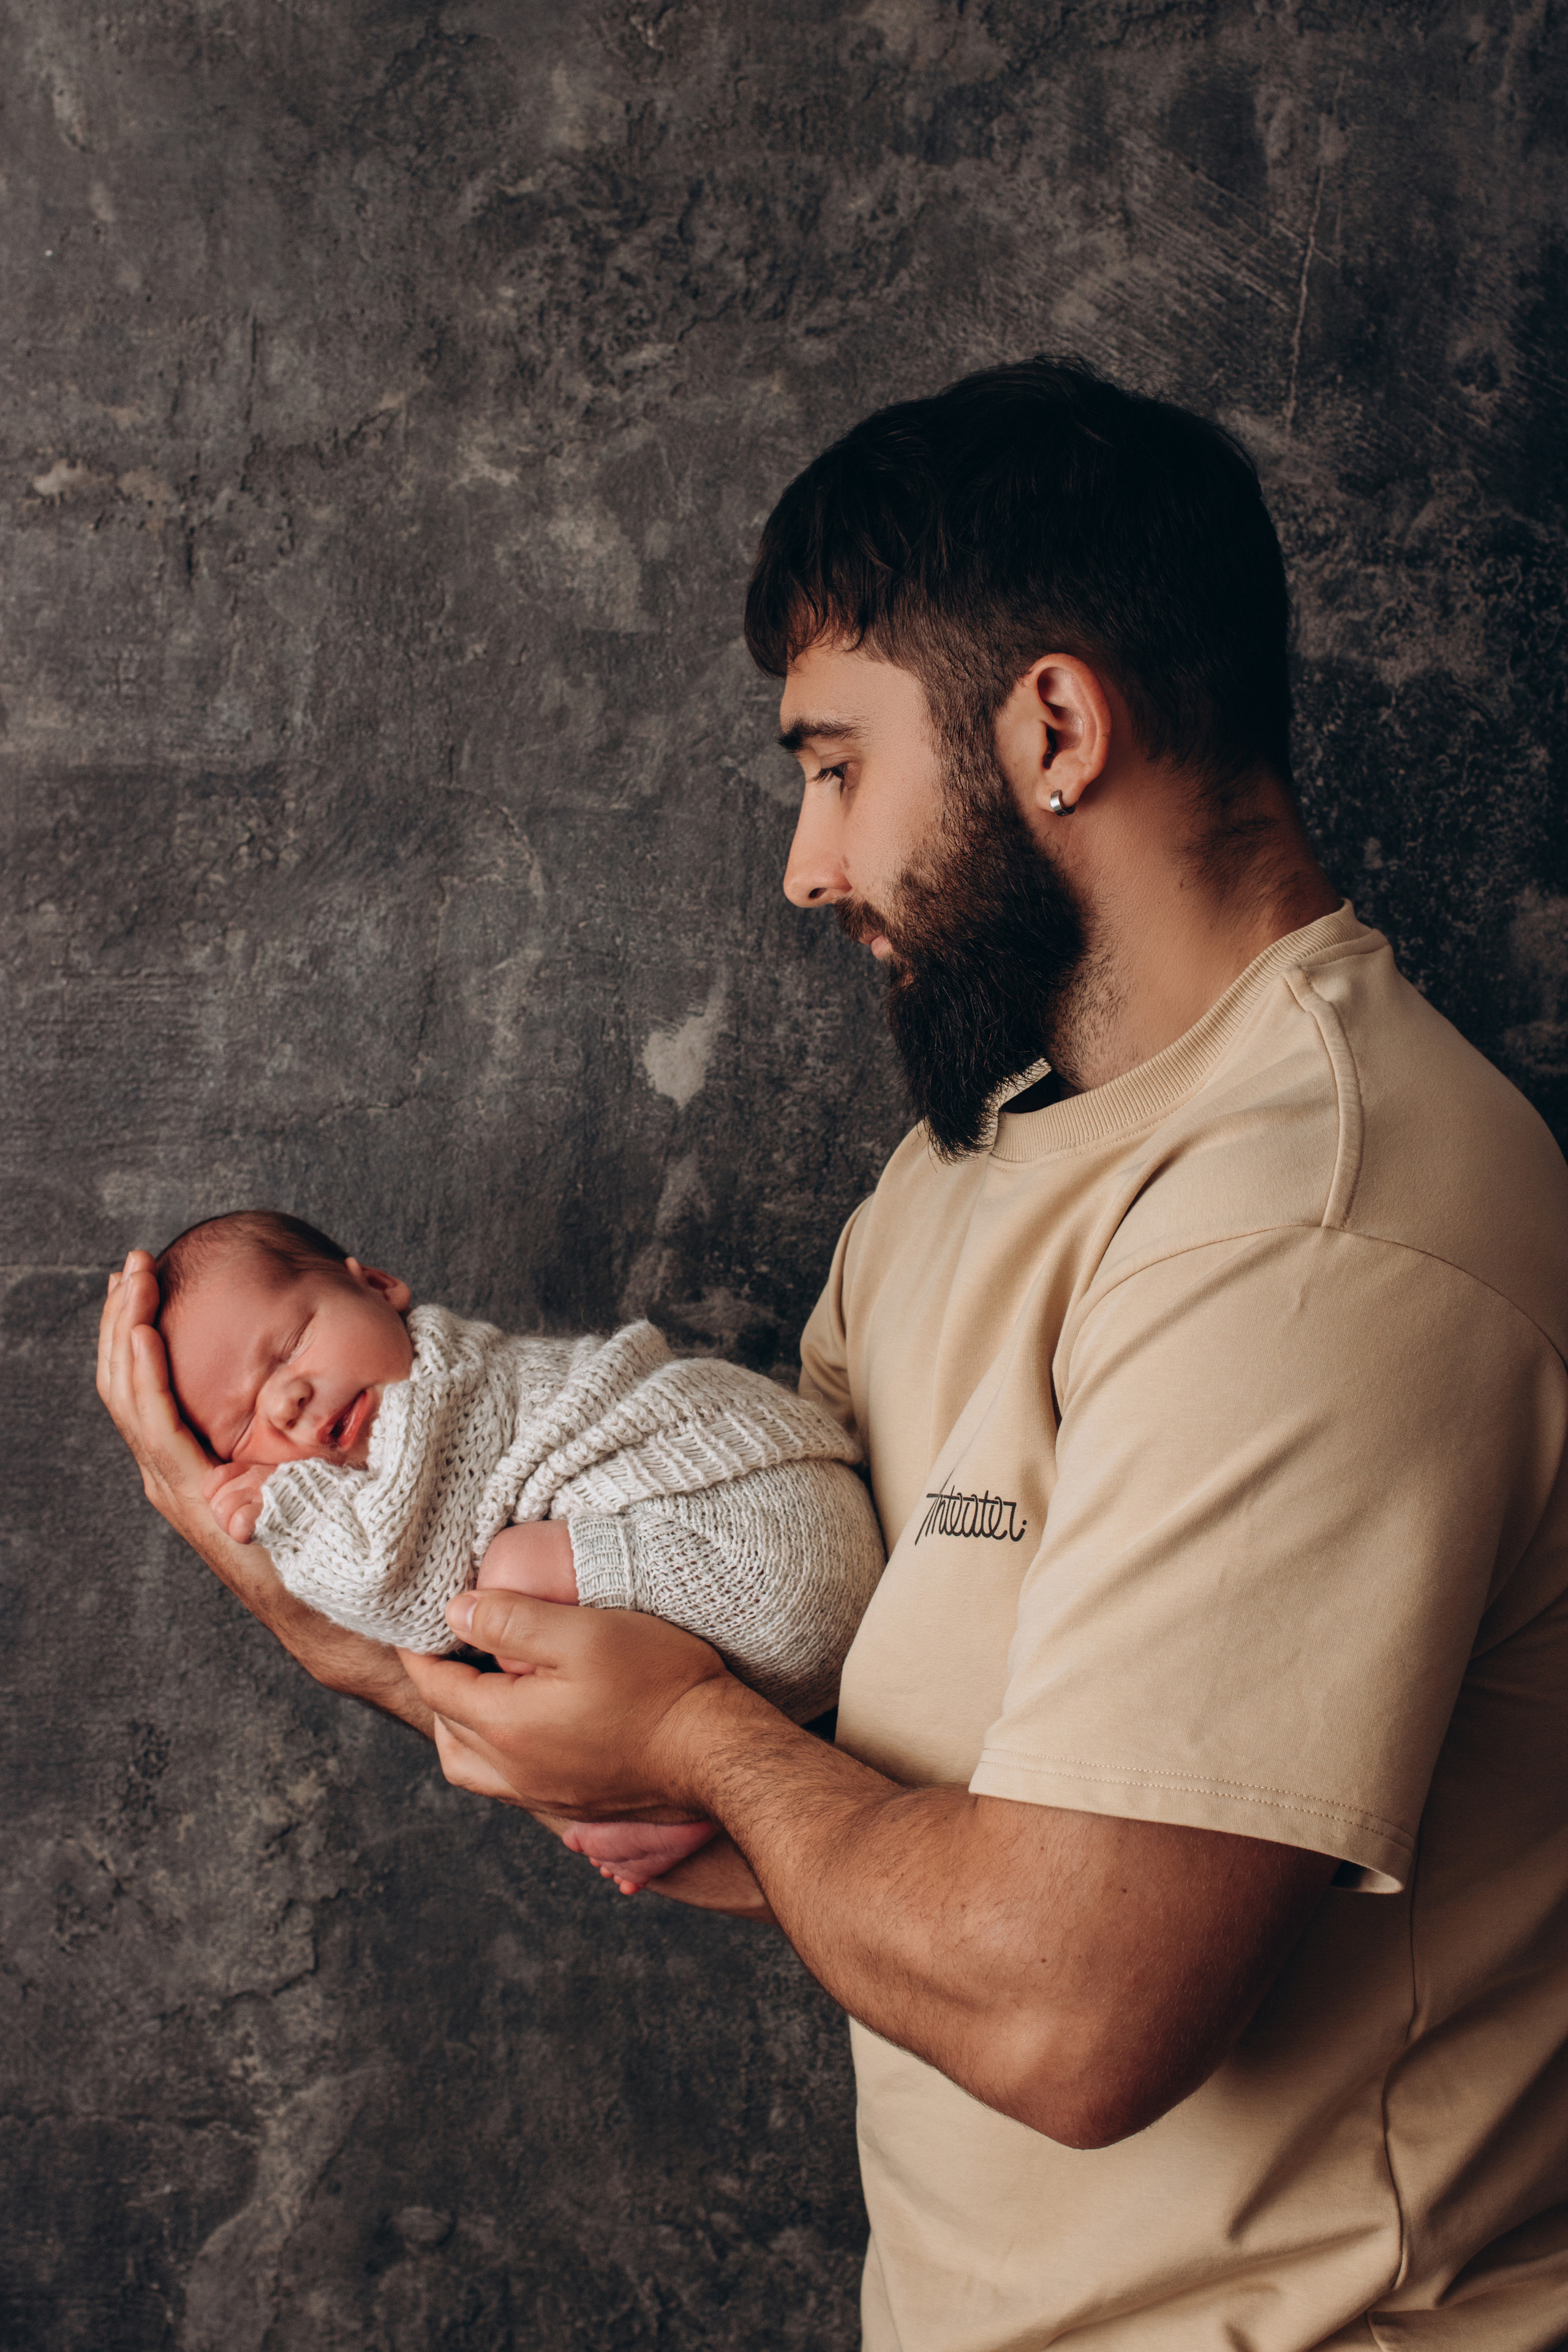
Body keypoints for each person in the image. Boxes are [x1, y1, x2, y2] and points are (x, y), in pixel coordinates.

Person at [99, 357, 1568, 2349]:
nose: (807, 865)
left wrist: (703, 1741)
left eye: (836, 764)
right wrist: (296, 1586)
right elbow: (813, 1841)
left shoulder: (1321, 1221)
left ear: (1054, 726)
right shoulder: (963, 1173)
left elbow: (1070, 2012)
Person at [151, 1205, 884, 1890]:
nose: (285, 1402)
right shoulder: (418, 1422)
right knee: (526, 1606)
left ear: (376, 1287)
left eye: (289, 1345)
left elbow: (403, 1590)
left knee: (498, 1592)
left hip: (763, 1544)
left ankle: (665, 1791)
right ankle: (683, 1790)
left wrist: (290, 1516)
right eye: (242, 1429)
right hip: (806, 1593)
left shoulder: (442, 1393)